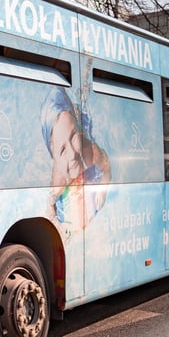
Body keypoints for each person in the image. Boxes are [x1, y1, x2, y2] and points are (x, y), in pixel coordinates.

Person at [40, 88, 111, 231]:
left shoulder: (88, 152)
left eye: (73, 136)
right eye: (62, 149)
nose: (72, 154)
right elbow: (50, 207)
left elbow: (106, 167)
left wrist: (102, 188)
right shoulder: (59, 180)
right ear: (55, 158)